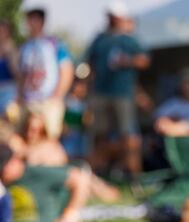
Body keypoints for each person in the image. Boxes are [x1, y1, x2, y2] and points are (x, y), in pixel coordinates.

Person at [85, 2, 150, 178]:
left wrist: (126, 62)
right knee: (99, 135)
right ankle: (99, 173)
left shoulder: (130, 40)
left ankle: (133, 175)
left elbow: (144, 60)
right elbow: (89, 63)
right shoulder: (100, 39)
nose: (112, 19)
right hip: (100, 93)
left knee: (128, 136)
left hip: (123, 95)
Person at [17, 7, 73, 140]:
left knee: (50, 137)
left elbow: (66, 70)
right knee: (24, 136)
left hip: (48, 100)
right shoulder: (26, 47)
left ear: (41, 21)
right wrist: (20, 95)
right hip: (29, 100)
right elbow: (23, 74)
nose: (29, 24)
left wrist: (57, 95)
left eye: (33, 19)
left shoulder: (54, 44)